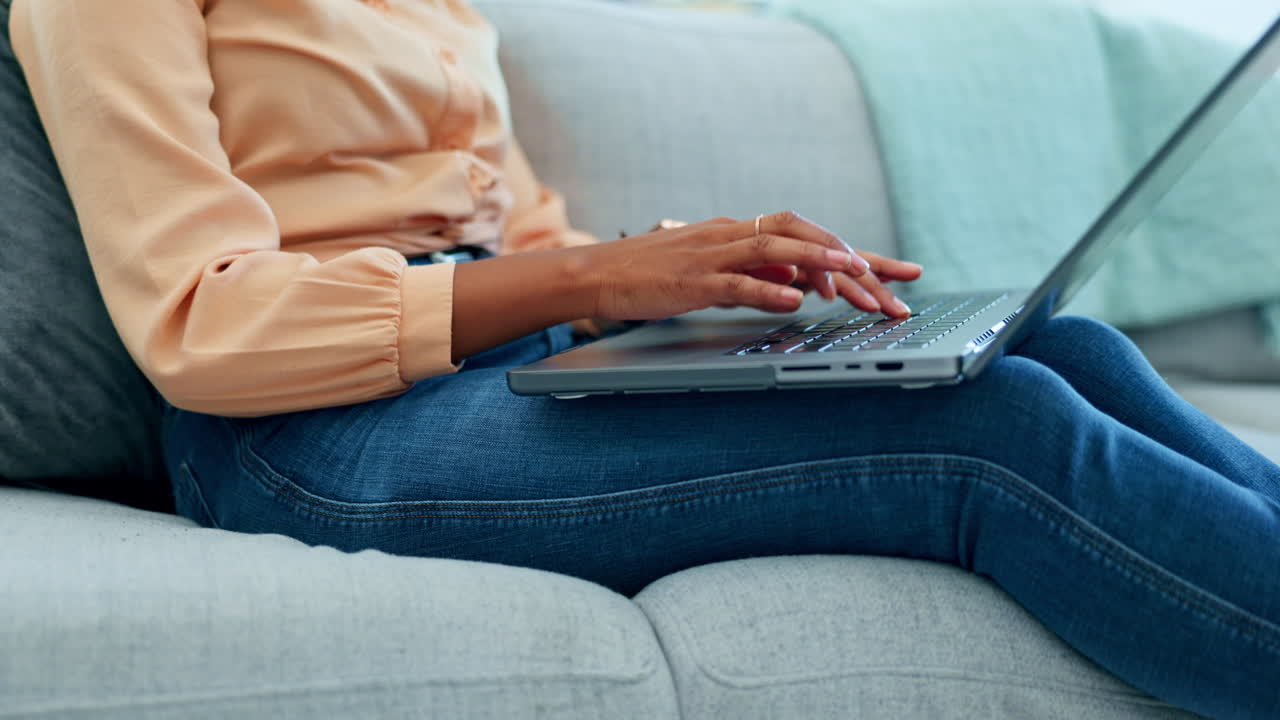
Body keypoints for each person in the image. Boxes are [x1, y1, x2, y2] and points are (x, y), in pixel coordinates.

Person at [9, 1, 1279, 717]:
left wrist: (691, 275)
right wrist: (592, 279)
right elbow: (199, 324)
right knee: (987, 432)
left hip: (510, 350)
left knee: (1054, 341)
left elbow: (510, 233)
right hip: (306, 431)